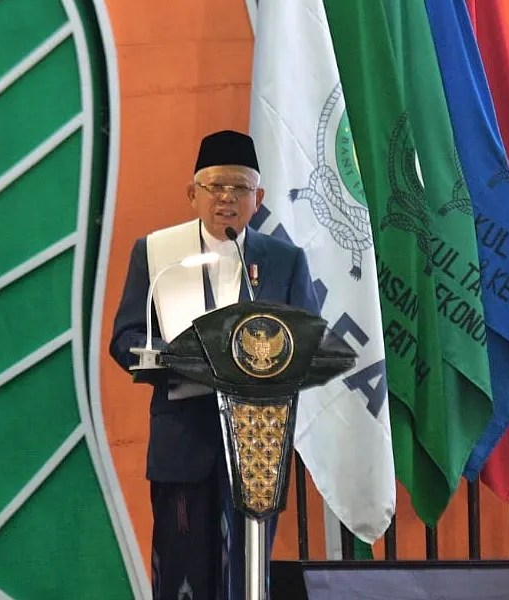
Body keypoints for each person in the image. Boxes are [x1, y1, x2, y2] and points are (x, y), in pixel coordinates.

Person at [109, 130, 320, 599]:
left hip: (257, 446)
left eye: (240, 188)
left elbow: (309, 343)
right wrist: (176, 357)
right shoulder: (157, 255)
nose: (227, 198)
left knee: (245, 579)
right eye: (216, 186)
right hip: (183, 443)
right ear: (193, 194)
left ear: (258, 199)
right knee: (181, 578)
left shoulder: (285, 261)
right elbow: (125, 339)